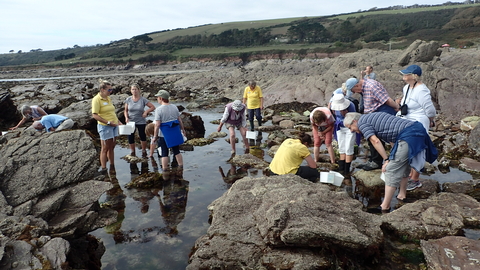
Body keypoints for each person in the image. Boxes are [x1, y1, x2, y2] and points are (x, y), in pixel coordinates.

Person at [344, 112, 437, 213]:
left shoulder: (362, 123)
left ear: (354, 121)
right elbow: (393, 138)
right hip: (417, 129)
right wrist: (392, 157)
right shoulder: (370, 117)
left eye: (350, 127)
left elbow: (375, 141)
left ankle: (385, 206)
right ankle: (402, 195)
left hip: (409, 135)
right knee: (404, 166)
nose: (352, 130)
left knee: (391, 170)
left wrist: (387, 160)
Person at [345, 77, 400, 171]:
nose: (355, 93)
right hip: (373, 113)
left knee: (385, 138)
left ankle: (384, 161)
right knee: (371, 138)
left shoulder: (371, 86)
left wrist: (397, 107)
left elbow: (386, 100)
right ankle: (375, 160)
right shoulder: (363, 88)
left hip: (383, 112)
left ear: (357, 85)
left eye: (354, 91)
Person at [397, 64, 437, 191]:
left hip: (419, 122)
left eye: (406, 73)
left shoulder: (422, 90)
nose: (404, 75)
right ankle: (409, 175)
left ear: (414, 76)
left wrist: (430, 120)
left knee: (418, 149)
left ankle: (415, 179)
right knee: (408, 148)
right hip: (408, 121)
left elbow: (430, 110)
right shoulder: (407, 88)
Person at [92, 80, 122, 174]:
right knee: (105, 147)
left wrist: (118, 121)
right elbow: (95, 115)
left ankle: (112, 165)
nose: (111, 91)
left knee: (112, 146)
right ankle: (104, 168)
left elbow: (112, 112)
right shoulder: (96, 99)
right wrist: (108, 122)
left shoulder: (108, 98)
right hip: (105, 126)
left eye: (111, 89)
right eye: (109, 90)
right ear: (102, 89)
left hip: (114, 125)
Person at [153, 90, 185, 171]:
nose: (157, 99)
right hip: (175, 132)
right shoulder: (174, 107)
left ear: (161, 98)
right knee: (176, 151)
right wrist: (183, 129)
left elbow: (157, 125)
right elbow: (179, 120)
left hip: (164, 134)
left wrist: (155, 136)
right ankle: (181, 167)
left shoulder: (159, 110)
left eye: (157, 97)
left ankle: (165, 171)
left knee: (164, 152)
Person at [124, 83, 156, 157]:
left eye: (135, 89)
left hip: (141, 121)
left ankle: (144, 150)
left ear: (139, 90)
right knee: (130, 136)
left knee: (142, 136)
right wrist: (126, 117)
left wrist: (146, 112)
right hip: (131, 121)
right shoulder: (128, 99)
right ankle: (132, 151)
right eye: (132, 89)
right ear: (131, 90)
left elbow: (152, 107)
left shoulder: (143, 99)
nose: (134, 91)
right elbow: (125, 110)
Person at [330, 94, 357, 175]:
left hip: (349, 127)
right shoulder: (333, 105)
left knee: (349, 147)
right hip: (339, 127)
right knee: (341, 147)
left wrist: (345, 113)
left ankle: (346, 170)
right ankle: (341, 169)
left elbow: (354, 118)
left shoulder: (351, 105)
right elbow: (334, 116)